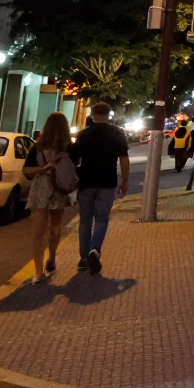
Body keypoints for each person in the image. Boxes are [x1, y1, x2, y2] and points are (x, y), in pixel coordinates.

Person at [70, 102, 130, 274]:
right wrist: (125, 181)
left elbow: (73, 159)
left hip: (86, 182)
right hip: (107, 182)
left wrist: (75, 176)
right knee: (102, 219)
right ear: (108, 114)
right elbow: (124, 158)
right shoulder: (117, 133)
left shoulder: (84, 134)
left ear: (93, 114)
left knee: (85, 220)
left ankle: (83, 258)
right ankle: (95, 249)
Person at [22, 112, 74, 284]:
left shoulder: (37, 147)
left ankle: (38, 272)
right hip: (59, 189)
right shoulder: (69, 148)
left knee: (37, 232)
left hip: (40, 189)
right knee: (55, 225)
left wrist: (43, 168)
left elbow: (26, 170)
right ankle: (51, 259)